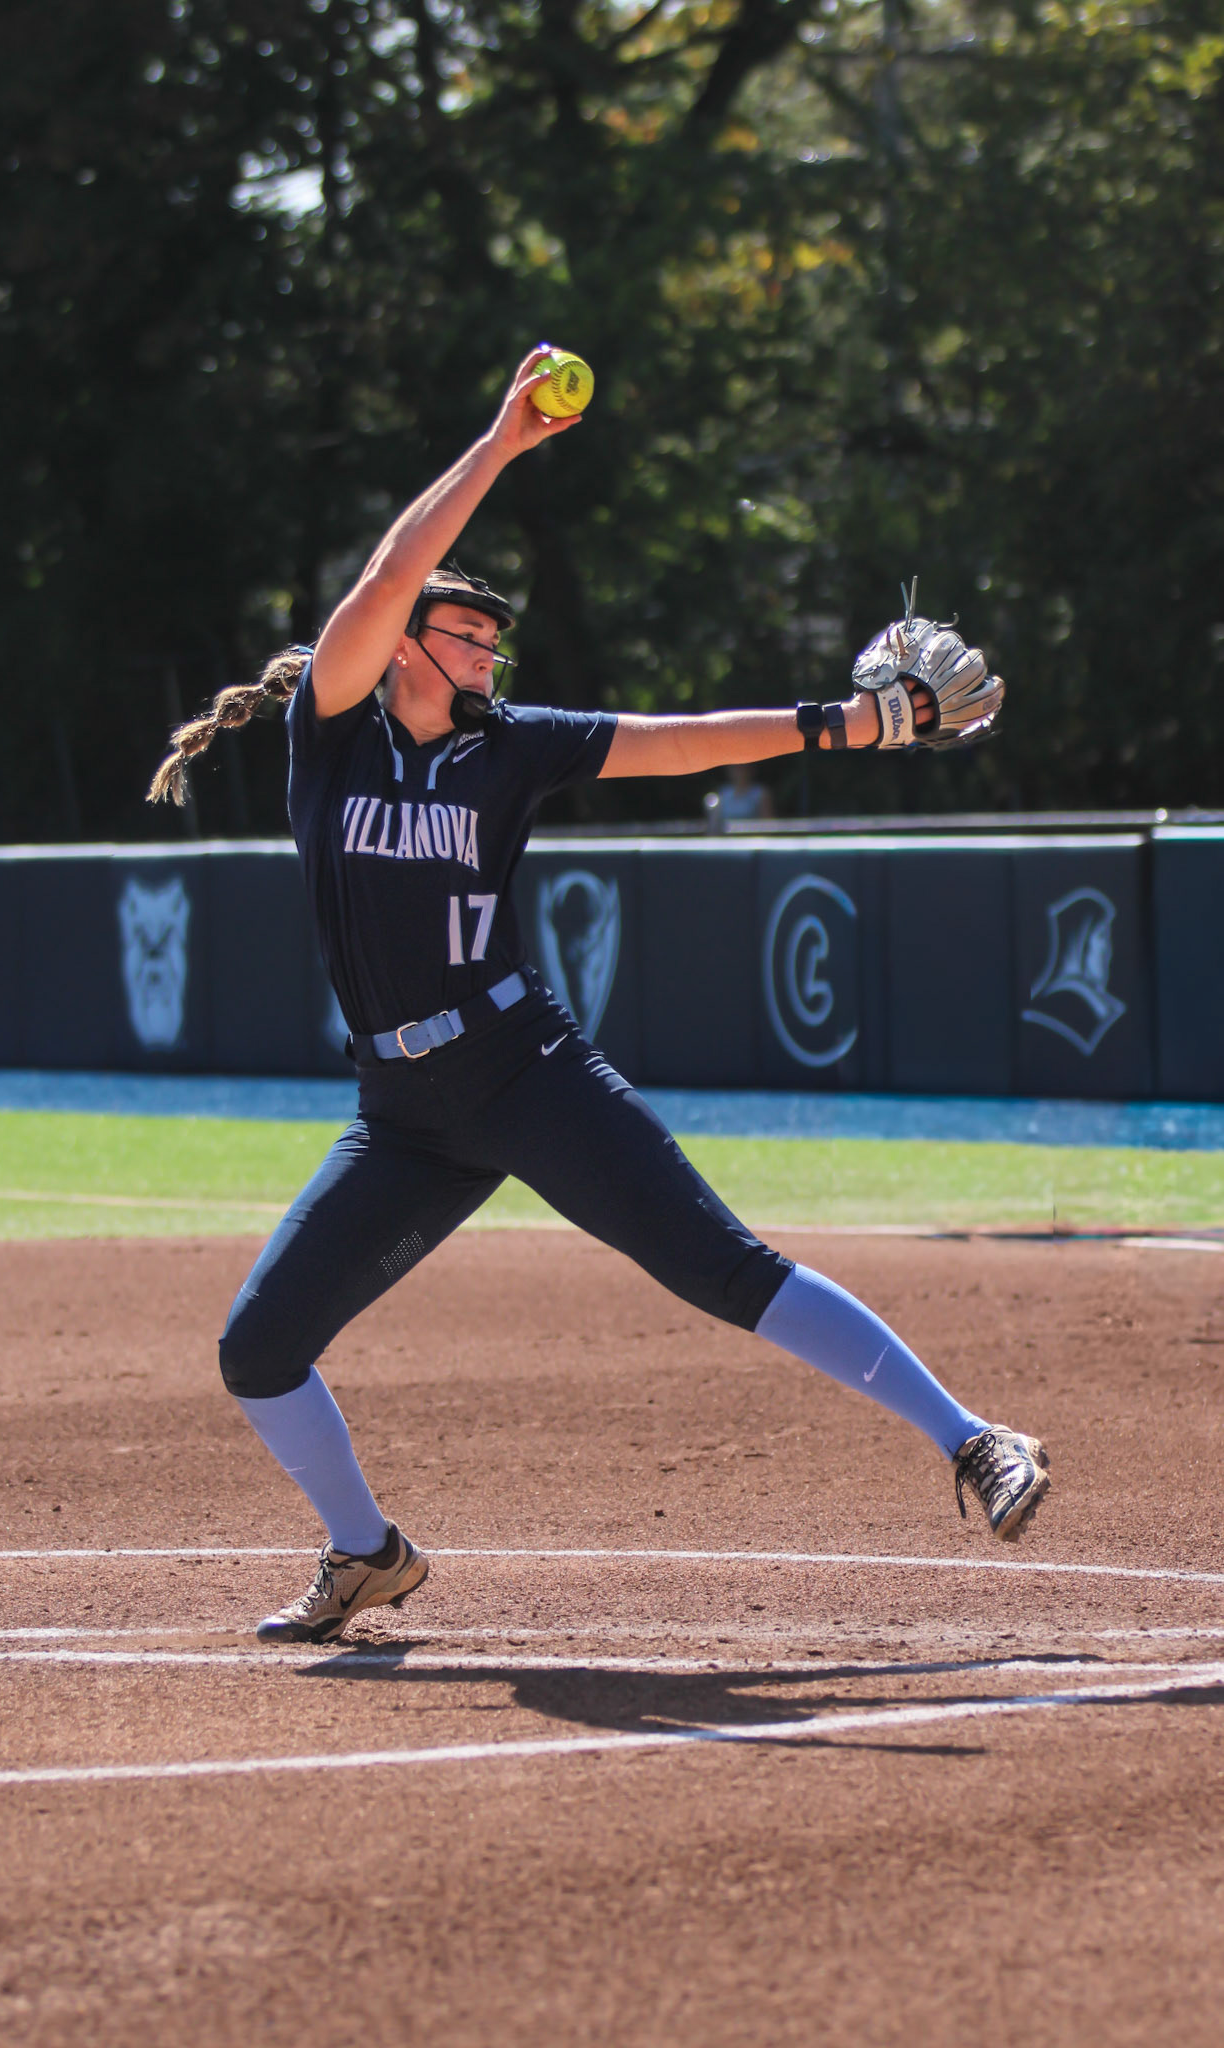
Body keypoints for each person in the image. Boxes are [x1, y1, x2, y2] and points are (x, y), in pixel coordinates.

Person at [148, 346, 1051, 1645]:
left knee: (719, 1265)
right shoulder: (332, 738)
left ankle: (971, 1439)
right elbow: (390, 575)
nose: (489, 654)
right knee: (257, 1350)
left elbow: (677, 742)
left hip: (524, 1070)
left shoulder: (508, 749)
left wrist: (850, 725)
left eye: (494, 640)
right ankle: (367, 1554)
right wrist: (502, 443)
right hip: (402, 1114)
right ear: (405, 646)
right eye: (469, 635)